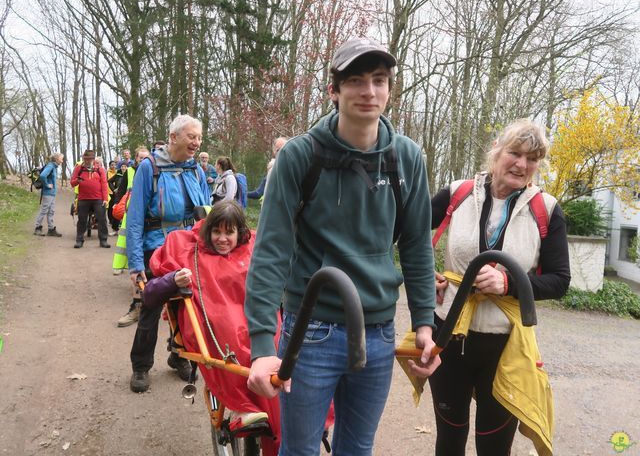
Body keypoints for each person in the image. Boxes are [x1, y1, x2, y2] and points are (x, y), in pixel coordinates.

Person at [245, 38, 440, 454]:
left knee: (357, 448)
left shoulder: (407, 158)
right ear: (334, 90)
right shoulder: (300, 157)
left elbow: (417, 247)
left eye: (379, 80)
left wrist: (424, 323)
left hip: (379, 332)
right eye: (355, 80)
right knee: (299, 449)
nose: (369, 91)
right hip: (311, 330)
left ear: (390, 89)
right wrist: (263, 347)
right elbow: (271, 252)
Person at [427, 119, 571, 456]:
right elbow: (409, 231)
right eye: (515, 153)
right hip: (448, 334)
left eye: (532, 158)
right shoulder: (457, 192)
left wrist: (508, 283)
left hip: (505, 346)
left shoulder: (546, 210)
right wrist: (425, 277)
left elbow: (560, 281)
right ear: (496, 151)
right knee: (448, 440)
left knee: (493, 446)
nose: (522, 164)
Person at [142, 201, 281, 455]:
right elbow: (150, 295)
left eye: (229, 232)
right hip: (215, 324)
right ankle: (243, 405)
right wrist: (173, 279)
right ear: (208, 231)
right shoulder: (185, 250)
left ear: (240, 233)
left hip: (255, 320)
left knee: (278, 337)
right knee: (229, 331)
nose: (222, 239)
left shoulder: (254, 251)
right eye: (216, 231)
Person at [126, 114, 210, 393]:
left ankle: (179, 355)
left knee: (188, 307)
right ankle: (140, 366)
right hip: (156, 248)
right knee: (151, 306)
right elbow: (135, 218)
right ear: (173, 137)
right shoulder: (149, 168)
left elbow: (207, 212)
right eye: (191, 136)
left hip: (187, 248)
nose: (197, 142)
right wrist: (136, 263)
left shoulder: (196, 170)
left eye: (199, 137)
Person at [113, 146, 150, 326]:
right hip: (132, 221)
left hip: (151, 226)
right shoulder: (130, 172)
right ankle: (136, 307)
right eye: (140, 158)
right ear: (135, 159)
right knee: (136, 265)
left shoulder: (155, 172)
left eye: (146, 157)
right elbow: (120, 192)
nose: (143, 160)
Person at [70, 149, 110, 249]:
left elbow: (104, 184)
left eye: (90, 159)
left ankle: (103, 240)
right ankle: (79, 240)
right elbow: (72, 183)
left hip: (98, 199)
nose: (88, 161)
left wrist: (105, 199)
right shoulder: (79, 168)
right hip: (83, 198)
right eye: (86, 159)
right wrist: (77, 181)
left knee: (101, 219)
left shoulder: (99, 169)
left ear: (93, 159)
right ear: (83, 158)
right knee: (82, 220)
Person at [33, 152, 64, 237]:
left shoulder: (54, 167)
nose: (62, 161)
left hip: (52, 193)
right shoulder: (50, 166)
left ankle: (51, 229)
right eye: (61, 159)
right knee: (44, 210)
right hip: (48, 193)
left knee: (51, 211)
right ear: (57, 159)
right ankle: (37, 228)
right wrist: (47, 185)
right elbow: (42, 176)